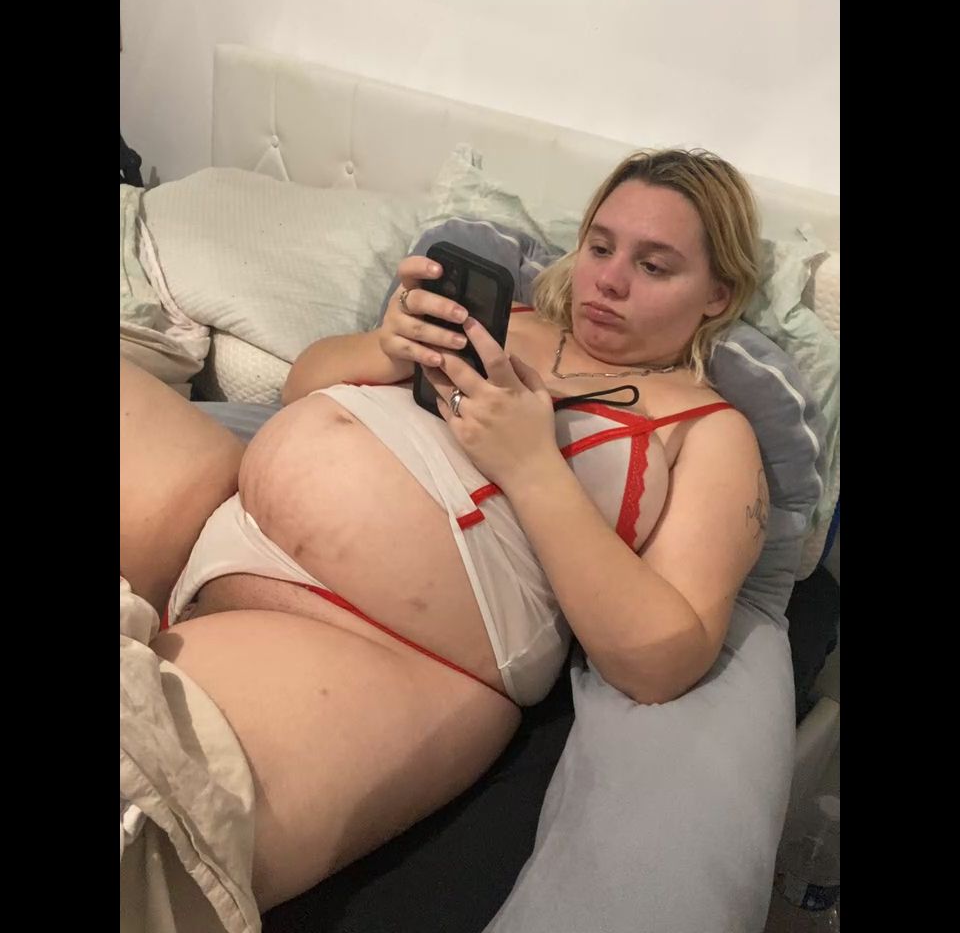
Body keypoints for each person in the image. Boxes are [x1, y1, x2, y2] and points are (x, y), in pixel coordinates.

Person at [119, 148, 769, 914]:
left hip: (373, 638)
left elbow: (663, 658)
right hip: (227, 502)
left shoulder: (709, 431)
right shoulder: (503, 318)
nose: (609, 281)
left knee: (149, 781)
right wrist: (383, 349)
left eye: (654, 266)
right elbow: (302, 383)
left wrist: (532, 466)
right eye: (600, 247)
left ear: (719, 295)